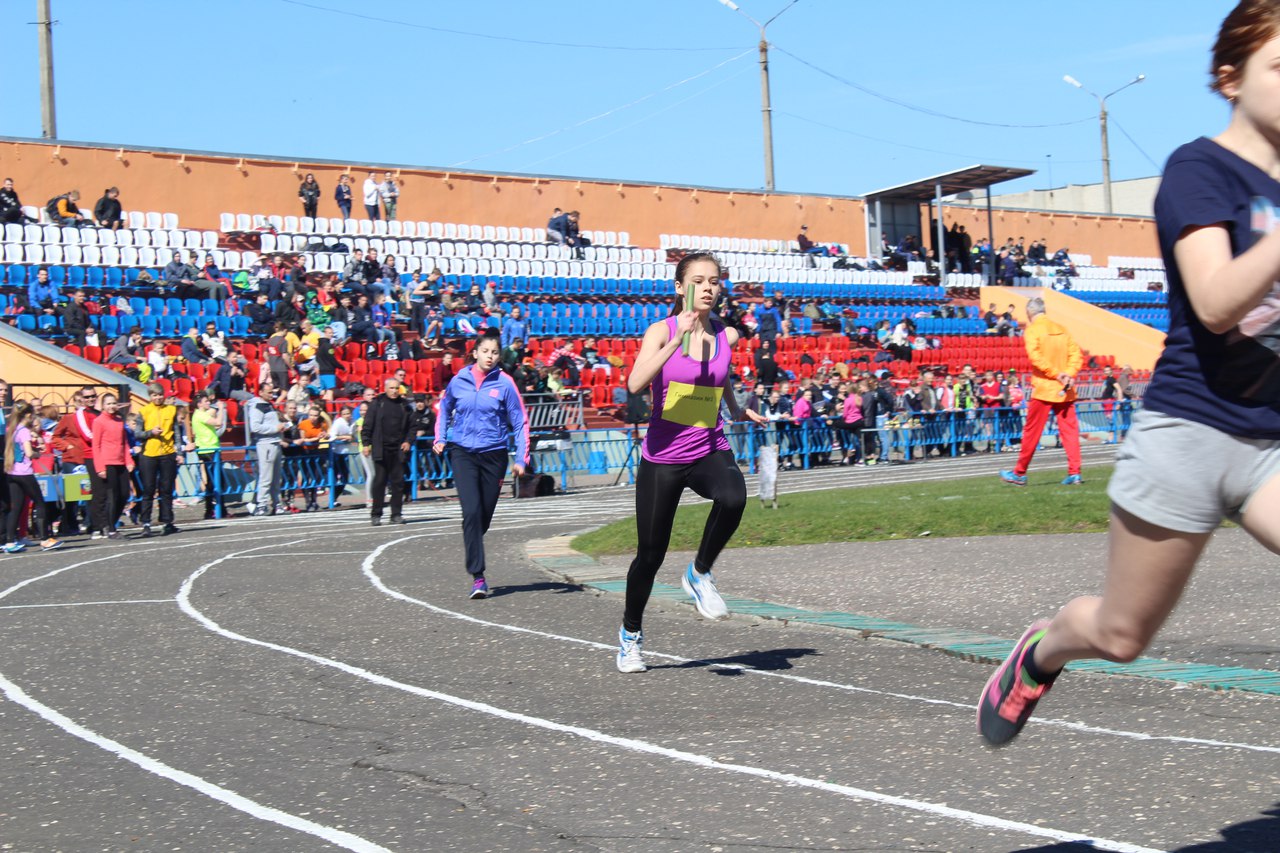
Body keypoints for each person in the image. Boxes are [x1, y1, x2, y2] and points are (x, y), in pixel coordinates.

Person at [978, 0, 1280, 746]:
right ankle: (1041, 649)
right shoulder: (1200, 169)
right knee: (1121, 634)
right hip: (1190, 433)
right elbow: (1215, 303)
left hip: (1270, 441)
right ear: (1230, 77)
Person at [614, 252, 767, 673]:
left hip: (708, 446)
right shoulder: (660, 331)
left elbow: (721, 376)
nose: (708, 288)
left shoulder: (726, 334)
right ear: (680, 287)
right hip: (663, 457)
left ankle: (700, 573)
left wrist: (735, 408)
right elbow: (634, 383)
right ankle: (630, 635)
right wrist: (675, 340)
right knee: (650, 556)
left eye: (714, 281)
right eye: (698, 281)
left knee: (734, 497)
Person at [433, 329, 529, 599]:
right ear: (475, 353)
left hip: (494, 455)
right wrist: (440, 438)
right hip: (462, 452)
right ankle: (478, 577)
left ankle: (473, 533)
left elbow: (520, 421)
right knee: (472, 512)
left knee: (482, 517)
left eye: (495, 352)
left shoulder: (506, 383)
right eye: (485, 351)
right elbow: (444, 409)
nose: (490, 356)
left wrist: (521, 458)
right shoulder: (458, 380)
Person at [998, 297, 1083, 486]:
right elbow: (1076, 355)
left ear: (1029, 312)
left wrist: (1057, 374)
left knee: (1032, 432)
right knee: (1070, 432)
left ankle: (1019, 473)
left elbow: (1036, 358)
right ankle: (1075, 472)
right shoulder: (1062, 329)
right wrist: (1068, 374)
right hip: (1065, 389)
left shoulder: (1033, 330)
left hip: (1045, 388)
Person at [3, 401, 62, 553]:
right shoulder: (23, 431)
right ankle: (44, 539)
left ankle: (9, 541)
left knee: (16, 507)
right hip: (24, 473)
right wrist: (38, 453)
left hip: (12, 472)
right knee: (40, 502)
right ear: (28, 415)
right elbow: (29, 453)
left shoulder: (12, 429)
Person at [51, 385, 105, 538]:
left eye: (87, 399)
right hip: (72, 460)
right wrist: (67, 446)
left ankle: (91, 523)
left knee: (91, 493)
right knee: (72, 495)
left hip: (90, 458)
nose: (83, 402)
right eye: (79, 400)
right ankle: (69, 524)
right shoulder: (68, 418)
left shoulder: (96, 416)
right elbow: (55, 437)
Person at [361, 377, 413, 526]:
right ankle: (376, 514)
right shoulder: (377, 403)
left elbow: (412, 427)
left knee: (398, 483)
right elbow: (367, 425)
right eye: (391, 388)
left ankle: (396, 514)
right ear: (385, 389)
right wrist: (366, 444)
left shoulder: (405, 405)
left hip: (398, 449)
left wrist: (408, 441)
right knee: (379, 482)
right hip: (381, 448)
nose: (394, 391)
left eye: (397, 388)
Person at [137, 383, 185, 537]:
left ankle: (167, 522)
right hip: (149, 454)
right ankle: (146, 523)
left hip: (167, 453)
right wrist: (151, 433)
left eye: (160, 395)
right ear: (150, 396)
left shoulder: (171, 410)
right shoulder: (144, 411)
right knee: (148, 489)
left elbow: (176, 433)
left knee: (166, 489)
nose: (157, 398)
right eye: (154, 395)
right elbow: (137, 434)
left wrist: (179, 452)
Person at [236, 386, 286, 515]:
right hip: (265, 444)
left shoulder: (269, 405)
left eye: (272, 392)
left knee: (276, 478)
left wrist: (281, 427)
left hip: (275, 442)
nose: (271, 395)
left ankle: (276, 503)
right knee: (266, 477)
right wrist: (275, 428)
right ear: (261, 392)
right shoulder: (257, 407)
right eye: (269, 392)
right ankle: (261, 505)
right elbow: (255, 427)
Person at [91, 392, 132, 539]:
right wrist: (100, 467)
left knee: (124, 494)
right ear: (103, 406)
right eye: (108, 403)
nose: (111, 406)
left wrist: (129, 460)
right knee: (112, 496)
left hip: (120, 462)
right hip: (107, 462)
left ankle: (111, 522)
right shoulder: (98, 422)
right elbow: (96, 446)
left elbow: (124, 443)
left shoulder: (119, 421)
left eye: (113, 403)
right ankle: (111, 529)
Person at [191, 393, 226, 519]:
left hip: (211, 448)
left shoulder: (202, 414)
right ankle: (212, 509)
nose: (208, 403)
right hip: (207, 450)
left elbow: (216, 423)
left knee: (216, 481)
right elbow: (218, 422)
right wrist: (221, 409)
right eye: (205, 401)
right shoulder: (200, 415)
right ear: (199, 404)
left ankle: (216, 509)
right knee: (215, 481)